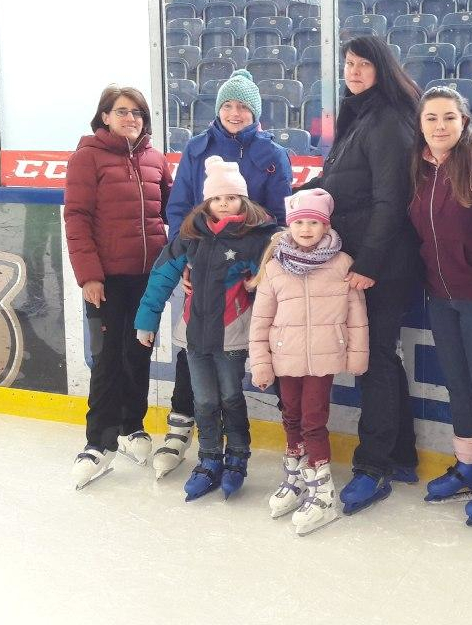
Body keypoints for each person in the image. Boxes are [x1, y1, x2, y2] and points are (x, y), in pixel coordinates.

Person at [295, 36, 422, 515]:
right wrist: (297, 197)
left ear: (381, 69)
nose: (353, 71)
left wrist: (368, 263)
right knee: (381, 358)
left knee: (372, 362)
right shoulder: (361, 118)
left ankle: (373, 467)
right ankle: (402, 455)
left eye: (363, 64)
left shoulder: (388, 120)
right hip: (365, 260)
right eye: (348, 64)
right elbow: (337, 182)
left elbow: (392, 198)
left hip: (382, 265)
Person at [153, 69, 292, 480]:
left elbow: (280, 217)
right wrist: (190, 263)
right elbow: (179, 210)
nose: (235, 113)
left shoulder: (272, 155)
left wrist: (257, 265)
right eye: (228, 105)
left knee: (262, 347)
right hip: (203, 266)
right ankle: (182, 424)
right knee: (194, 344)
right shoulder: (197, 150)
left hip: (251, 270)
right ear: (218, 110)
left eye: (244, 106)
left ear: (256, 113)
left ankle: (296, 439)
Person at [134, 156, 280, 501]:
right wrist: (146, 319)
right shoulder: (191, 236)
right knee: (203, 401)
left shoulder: (255, 238)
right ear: (207, 202)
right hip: (195, 334)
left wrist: (259, 272)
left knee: (230, 397)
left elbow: (277, 266)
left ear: (242, 200)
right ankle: (209, 459)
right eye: (216, 198)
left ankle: (237, 458)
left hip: (231, 332)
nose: (223, 203)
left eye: (230, 197)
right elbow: (162, 275)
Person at [407, 86, 472, 526]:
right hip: (440, 294)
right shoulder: (418, 167)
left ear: (464, 121)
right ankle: (469, 465)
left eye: (448, 117)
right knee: (459, 384)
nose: (439, 126)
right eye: (431, 118)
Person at [65, 85, 171, 489]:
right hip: (106, 279)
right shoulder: (86, 158)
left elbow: (170, 211)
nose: (131, 119)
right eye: (122, 111)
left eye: (138, 113)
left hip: (148, 278)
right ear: (104, 117)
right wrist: (89, 275)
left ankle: (132, 427)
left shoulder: (155, 159)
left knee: (138, 351)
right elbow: (76, 218)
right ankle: (98, 442)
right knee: (108, 357)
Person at [249, 189, 370, 535]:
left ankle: (322, 490)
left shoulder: (342, 263)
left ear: (325, 226)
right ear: (290, 225)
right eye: (299, 222)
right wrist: (261, 363)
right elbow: (261, 320)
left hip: (322, 357)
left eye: (313, 223)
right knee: (290, 416)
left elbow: (356, 315)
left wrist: (358, 356)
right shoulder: (274, 267)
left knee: (313, 421)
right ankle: (297, 475)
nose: (305, 229)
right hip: (285, 357)